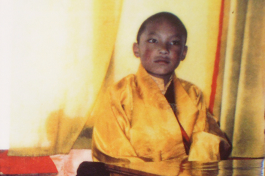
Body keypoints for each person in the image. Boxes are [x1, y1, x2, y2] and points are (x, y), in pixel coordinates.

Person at [92, 12, 231, 164]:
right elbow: (113, 152)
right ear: (136, 49)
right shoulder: (118, 94)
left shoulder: (192, 94)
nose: (164, 49)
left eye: (174, 42)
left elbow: (210, 140)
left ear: (183, 53)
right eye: (153, 40)